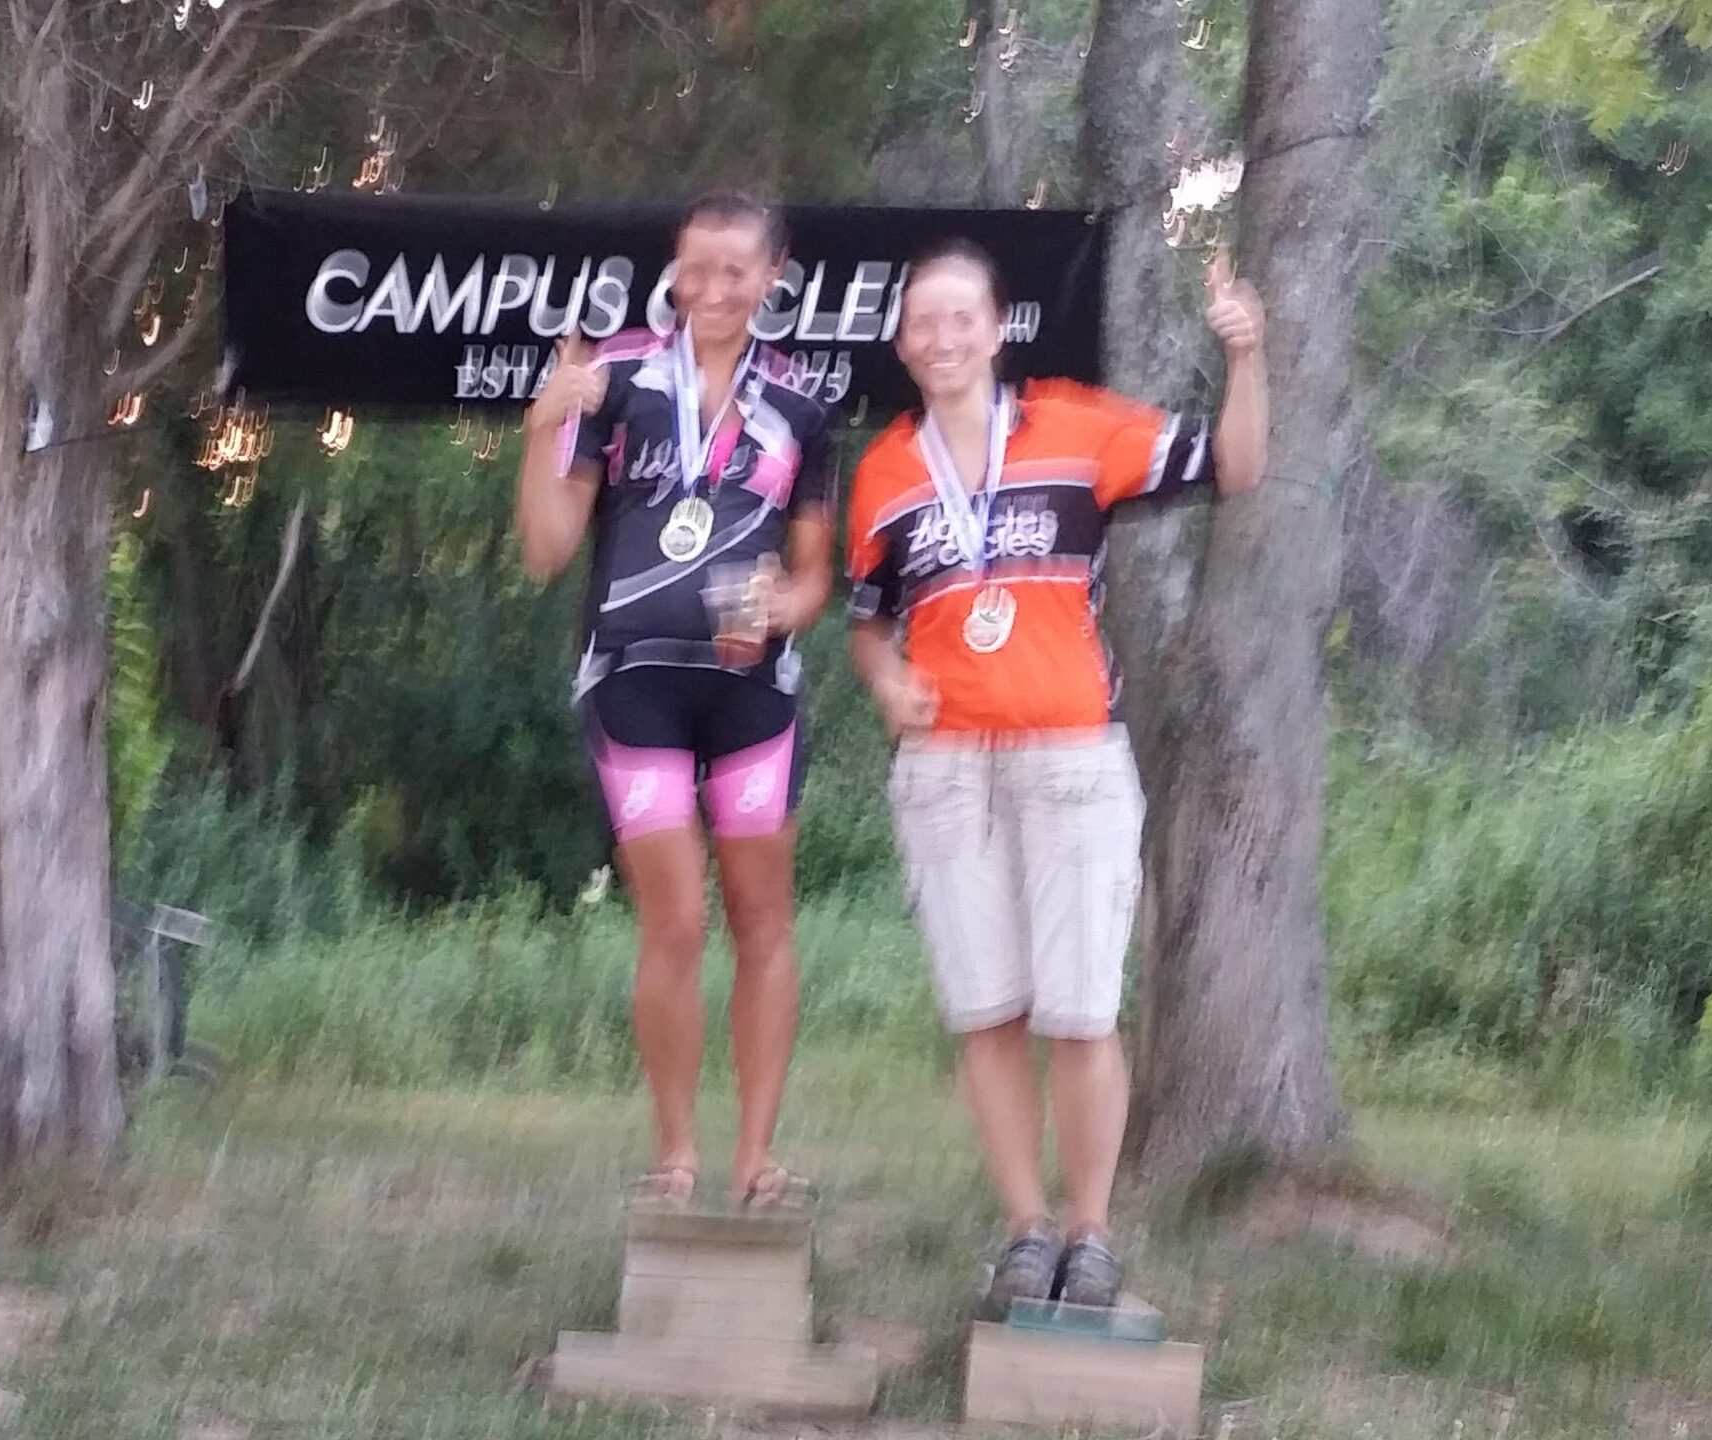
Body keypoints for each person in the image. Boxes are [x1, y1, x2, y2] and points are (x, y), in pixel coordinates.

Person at [845, 238, 1266, 1308]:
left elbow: (1238, 465)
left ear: (996, 330)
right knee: (985, 1012)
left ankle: (1092, 1232)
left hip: (1071, 759)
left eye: (959, 319)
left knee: (1079, 1011)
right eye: (920, 324)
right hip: (945, 772)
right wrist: (887, 682)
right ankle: (1025, 1229)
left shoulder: (1079, 428)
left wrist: (1247, 357)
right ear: (902, 343)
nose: (940, 338)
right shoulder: (885, 472)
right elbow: (868, 625)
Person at [516, 191, 838, 1210]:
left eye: (736, 269)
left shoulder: (802, 406)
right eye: (695, 267)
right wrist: (540, 430)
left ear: (773, 276)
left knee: (761, 920)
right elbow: (544, 551)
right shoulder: (612, 385)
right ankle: (674, 1158)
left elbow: (815, 575)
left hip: (750, 690)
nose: (712, 289)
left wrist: (787, 606)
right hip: (635, 680)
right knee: (677, 922)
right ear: (673, 268)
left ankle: (752, 1161)